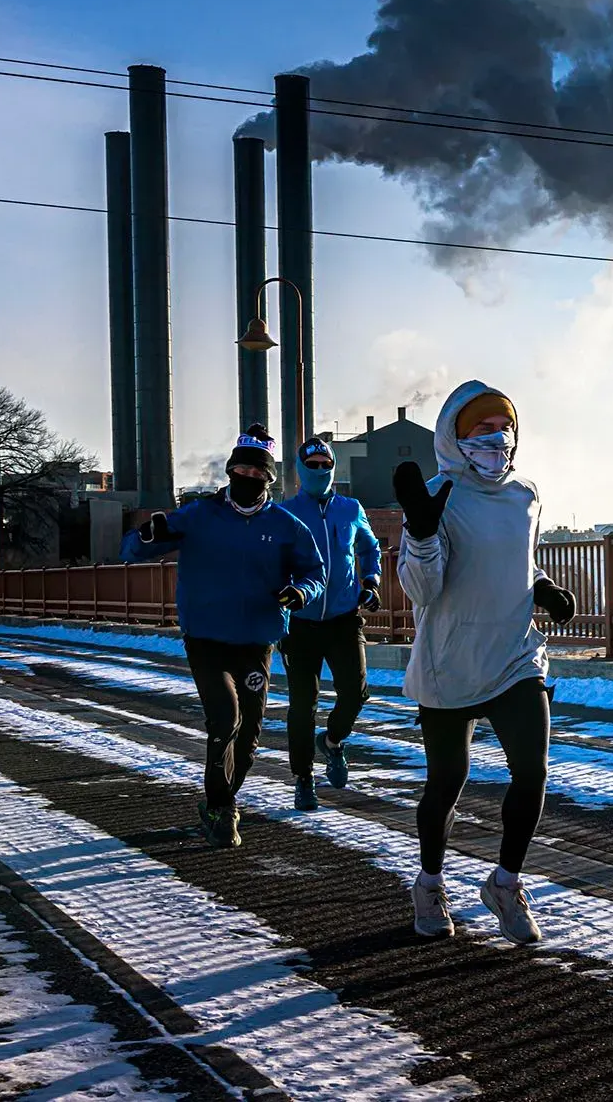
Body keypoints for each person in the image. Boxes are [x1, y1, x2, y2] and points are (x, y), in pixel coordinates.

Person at [395, 382, 574, 946]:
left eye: (505, 428)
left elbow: (520, 562)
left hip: (516, 654)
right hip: (451, 659)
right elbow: (422, 589)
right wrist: (422, 532)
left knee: (532, 772)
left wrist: (543, 588)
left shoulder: (526, 495)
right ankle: (429, 883)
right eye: (483, 429)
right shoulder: (435, 495)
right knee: (448, 780)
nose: (498, 439)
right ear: (456, 436)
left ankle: (505, 883)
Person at [121, 425, 325, 848]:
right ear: (231, 471)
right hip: (207, 637)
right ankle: (221, 807)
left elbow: (314, 572)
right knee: (225, 717)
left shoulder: (285, 525)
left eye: (258, 472)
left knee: (248, 738)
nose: (249, 477)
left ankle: (221, 799)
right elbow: (133, 550)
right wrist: (146, 536)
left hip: (257, 639)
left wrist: (300, 592)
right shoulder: (200, 515)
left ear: (268, 479)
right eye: (242, 470)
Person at [276, 436, 383, 811]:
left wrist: (371, 582)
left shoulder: (351, 509)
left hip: (343, 618)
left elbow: (370, 548)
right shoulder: (285, 513)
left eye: (326, 465)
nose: (320, 470)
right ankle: (303, 779)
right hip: (300, 622)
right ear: (300, 470)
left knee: (355, 693)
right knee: (302, 706)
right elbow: (271, 563)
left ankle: (333, 741)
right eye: (313, 465)